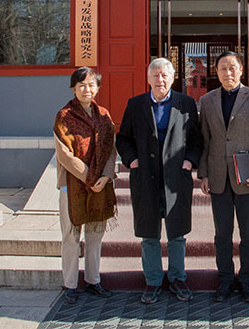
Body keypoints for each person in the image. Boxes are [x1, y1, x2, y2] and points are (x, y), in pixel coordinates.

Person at [116, 58, 203, 304]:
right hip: (145, 177)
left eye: (164, 75)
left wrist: (189, 162)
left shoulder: (185, 104)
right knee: (149, 233)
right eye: (155, 75)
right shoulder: (136, 105)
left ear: (173, 77)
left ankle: (177, 278)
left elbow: (196, 140)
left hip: (176, 178)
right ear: (148, 79)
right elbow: (123, 139)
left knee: (177, 233)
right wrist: (132, 160)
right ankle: (152, 280)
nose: (160, 79)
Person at [198, 51, 249, 303]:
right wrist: (204, 174)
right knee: (222, 234)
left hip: (247, 176)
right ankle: (225, 280)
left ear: (241, 70)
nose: (227, 73)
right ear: (216, 71)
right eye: (222, 68)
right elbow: (205, 140)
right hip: (219, 176)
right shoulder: (208, 100)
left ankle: (246, 281)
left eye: (232, 68)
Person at [54, 67, 118, 304]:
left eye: (91, 85)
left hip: (100, 183)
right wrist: (90, 179)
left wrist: (107, 176)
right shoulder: (64, 116)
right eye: (81, 85)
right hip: (73, 185)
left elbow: (111, 148)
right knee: (71, 235)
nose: (86, 89)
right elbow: (65, 156)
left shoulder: (104, 115)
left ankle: (93, 280)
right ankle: (70, 284)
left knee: (95, 234)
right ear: (73, 88)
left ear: (98, 88)